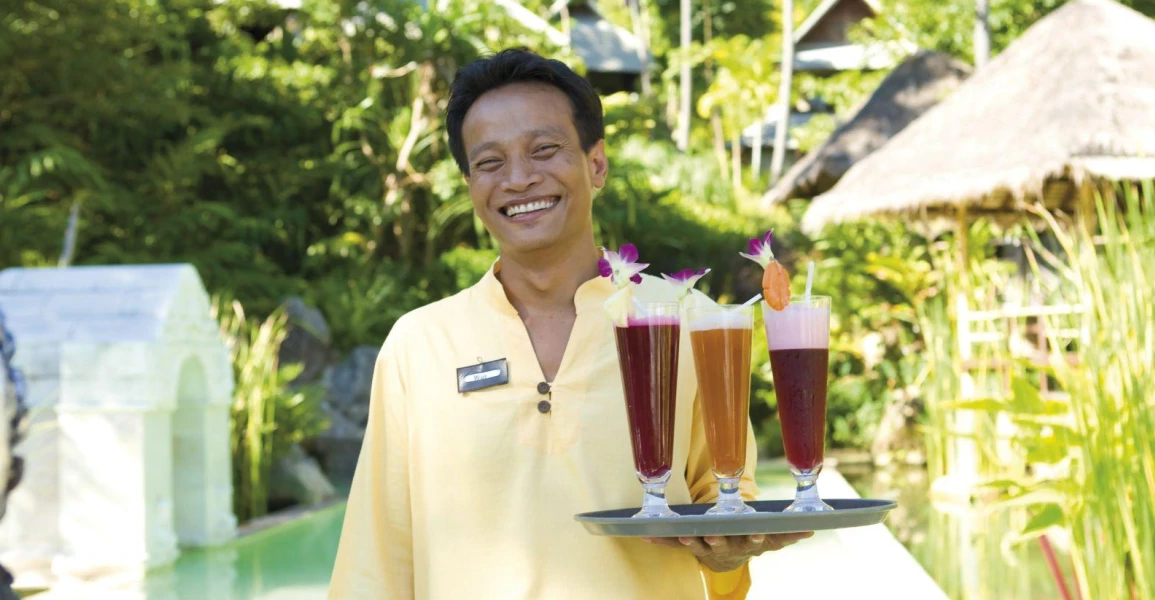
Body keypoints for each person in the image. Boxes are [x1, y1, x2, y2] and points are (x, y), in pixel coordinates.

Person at [327, 49, 810, 599]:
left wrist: (730, 550)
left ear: (596, 163)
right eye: (489, 162)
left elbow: (726, 505)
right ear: (469, 184)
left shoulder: (691, 322)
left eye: (544, 149)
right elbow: (377, 558)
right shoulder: (419, 345)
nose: (518, 178)